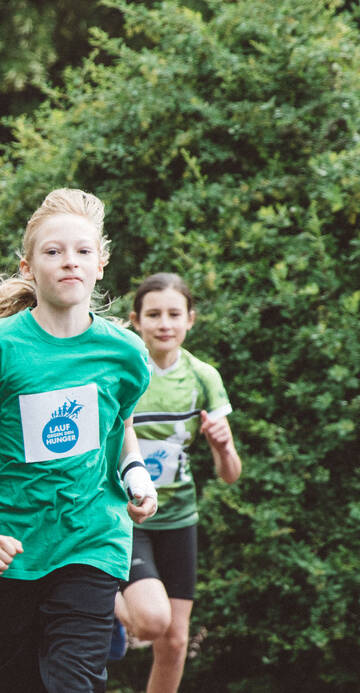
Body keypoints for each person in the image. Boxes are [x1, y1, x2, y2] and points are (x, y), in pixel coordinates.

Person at [0, 188, 156, 693]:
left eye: (82, 251)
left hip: (92, 537)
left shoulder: (124, 353)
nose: (68, 262)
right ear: (28, 267)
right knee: (20, 681)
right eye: (53, 252)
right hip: (13, 545)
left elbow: (120, 427)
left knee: (72, 682)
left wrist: (136, 474)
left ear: (100, 263)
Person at [113, 273, 240, 693]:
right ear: (136, 320)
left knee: (175, 640)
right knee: (151, 621)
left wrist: (222, 448)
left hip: (179, 519)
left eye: (174, 314)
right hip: (127, 516)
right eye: (154, 314)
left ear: (191, 320)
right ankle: (99, 602)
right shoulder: (124, 373)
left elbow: (230, 474)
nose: (164, 323)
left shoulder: (203, 377)